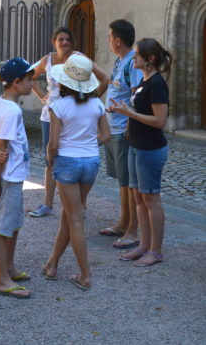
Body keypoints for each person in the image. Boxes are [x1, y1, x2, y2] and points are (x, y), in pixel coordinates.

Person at [43, 54, 111, 290]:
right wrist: (88, 144)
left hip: (68, 163)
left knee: (75, 218)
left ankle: (85, 275)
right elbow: (106, 136)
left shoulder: (58, 106)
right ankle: (52, 264)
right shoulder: (97, 104)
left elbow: (53, 144)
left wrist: (50, 160)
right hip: (90, 162)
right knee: (71, 213)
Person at [29, 26, 109, 217]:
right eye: (60, 39)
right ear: (54, 42)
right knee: (51, 158)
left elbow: (105, 78)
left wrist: (91, 98)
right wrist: (42, 96)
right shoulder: (47, 60)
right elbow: (28, 76)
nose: (64, 42)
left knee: (76, 156)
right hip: (51, 113)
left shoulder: (78, 59)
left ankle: (81, 204)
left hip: (75, 111)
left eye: (67, 39)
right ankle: (47, 203)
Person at [109, 38, 171, 266]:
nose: (133, 58)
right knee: (139, 199)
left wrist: (131, 114)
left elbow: (160, 121)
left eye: (136, 55)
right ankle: (143, 246)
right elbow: (137, 109)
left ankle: (155, 251)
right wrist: (122, 110)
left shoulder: (156, 84)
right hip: (136, 146)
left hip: (150, 149)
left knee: (151, 199)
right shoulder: (144, 81)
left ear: (150, 59)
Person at [0, 57, 38, 298]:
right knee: (3, 227)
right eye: (30, 80)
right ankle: (1, 280)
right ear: (17, 82)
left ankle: (9, 268)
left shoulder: (0, 103)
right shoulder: (12, 110)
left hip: (13, 175)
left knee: (14, 224)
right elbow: (0, 145)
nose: (32, 84)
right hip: (9, 177)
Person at [99, 19, 143, 250]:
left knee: (130, 182)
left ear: (117, 40)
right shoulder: (119, 60)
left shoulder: (132, 64)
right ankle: (123, 221)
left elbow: (136, 97)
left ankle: (133, 230)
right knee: (122, 181)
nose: (108, 41)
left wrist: (129, 126)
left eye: (109, 37)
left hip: (123, 130)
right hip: (112, 128)